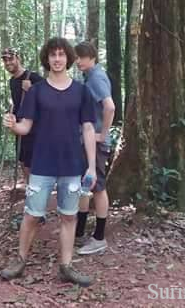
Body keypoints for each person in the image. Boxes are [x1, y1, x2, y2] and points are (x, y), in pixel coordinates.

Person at [0, 37, 97, 287]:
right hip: (42, 163)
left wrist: (91, 166)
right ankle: (20, 261)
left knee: (69, 216)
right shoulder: (37, 91)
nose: (57, 59)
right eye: (53, 55)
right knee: (32, 215)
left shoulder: (81, 91)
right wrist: (12, 125)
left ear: (68, 58)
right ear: (47, 59)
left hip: (72, 164)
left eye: (61, 54)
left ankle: (66, 266)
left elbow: (88, 129)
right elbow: (25, 126)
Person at [74, 41, 116, 255]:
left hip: (96, 143)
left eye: (81, 57)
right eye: (76, 57)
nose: (78, 61)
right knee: (85, 184)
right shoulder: (89, 77)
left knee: (97, 187)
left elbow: (110, 107)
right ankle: (79, 231)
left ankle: (99, 237)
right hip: (87, 141)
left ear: (92, 57)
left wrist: (103, 134)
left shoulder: (97, 77)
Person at [1, 47, 43, 183]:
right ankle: (29, 188)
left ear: (18, 58)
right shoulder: (12, 81)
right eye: (5, 60)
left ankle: (38, 190)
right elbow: (17, 103)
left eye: (11, 58)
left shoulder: (34, 77)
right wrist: (11, 115)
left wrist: (31, 90)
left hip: (35, 129)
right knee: (22, 161)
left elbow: (48, 100)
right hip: (19, 127)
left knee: (33, 163)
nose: (8, 62)